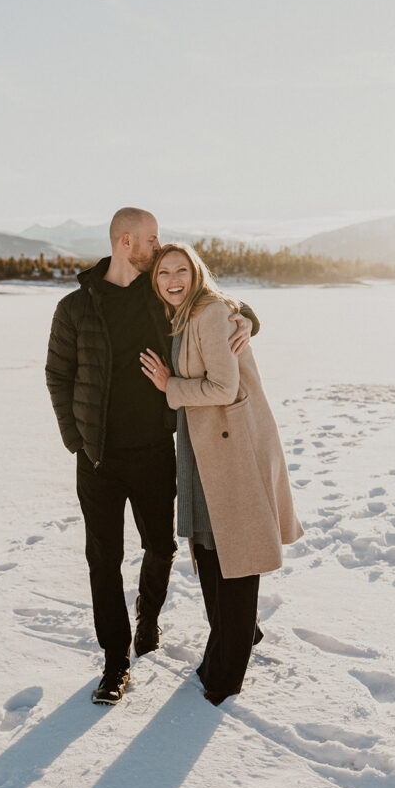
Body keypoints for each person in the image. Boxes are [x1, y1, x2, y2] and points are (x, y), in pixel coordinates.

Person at [45, 209, 259, 705]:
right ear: (126, 242)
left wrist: (248, 319)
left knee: (160, 546)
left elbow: (217, 304)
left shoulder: (160, 295)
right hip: (97, 459)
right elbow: (58, 375)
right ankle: (115, 660)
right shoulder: (75, 308)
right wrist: (77, 441)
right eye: (151, 240)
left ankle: (149, 617)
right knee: (104, 559)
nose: (158, 248)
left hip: (155, 451)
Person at [140, 242, 303, 705]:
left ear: (196, 273)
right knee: (211, 550)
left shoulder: (209, 312)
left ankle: (226, 675)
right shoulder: (187, 313)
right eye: (163, 273)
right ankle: (238, 636)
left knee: (236, 555)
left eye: (181, 271)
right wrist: (246, 316)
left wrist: (169, 386)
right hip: (206, 447)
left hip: (232, 450)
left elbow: (224, 387)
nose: (172, 280)